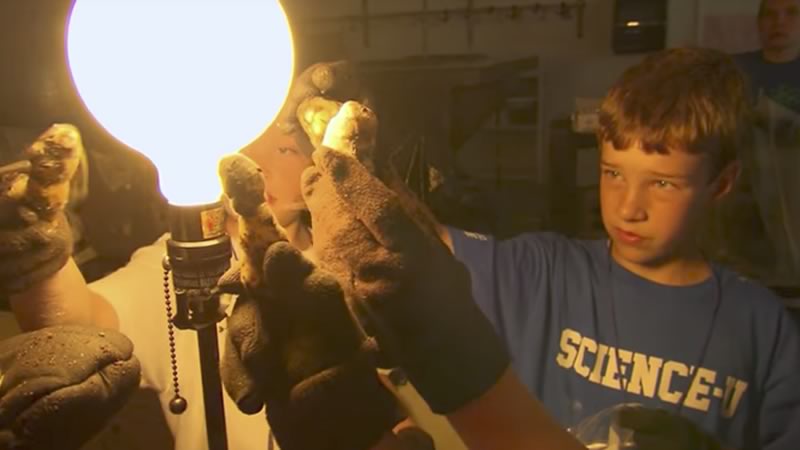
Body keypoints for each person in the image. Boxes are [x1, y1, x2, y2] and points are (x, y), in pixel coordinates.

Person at [429, 47, 800, 449]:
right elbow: (419, 247)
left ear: (721, 183)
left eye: (662, 183)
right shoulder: (543, 274)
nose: (627, 208)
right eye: (613, 174)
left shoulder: (761, 327)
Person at [734, 0, 800, 113]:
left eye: (791, 12)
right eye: (769, 14)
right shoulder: (731, 68)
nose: (779, 22)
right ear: (759, 23)